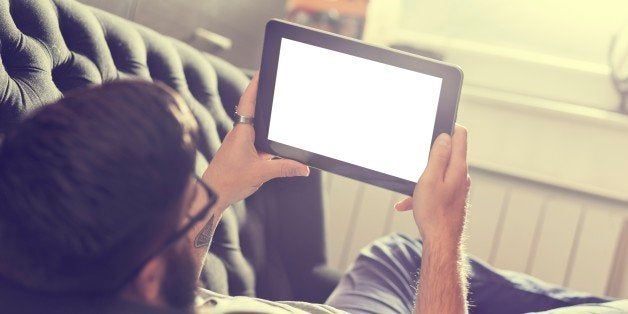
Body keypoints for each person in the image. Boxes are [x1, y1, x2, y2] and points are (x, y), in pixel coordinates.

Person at [0, 76, 622, 314]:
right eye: (188, 196)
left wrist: (220, 186)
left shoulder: (76, 276)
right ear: (141, 279)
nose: (202, 193)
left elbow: (163, 272)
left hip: (355, 300)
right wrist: (444, 235)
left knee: (389, 255)